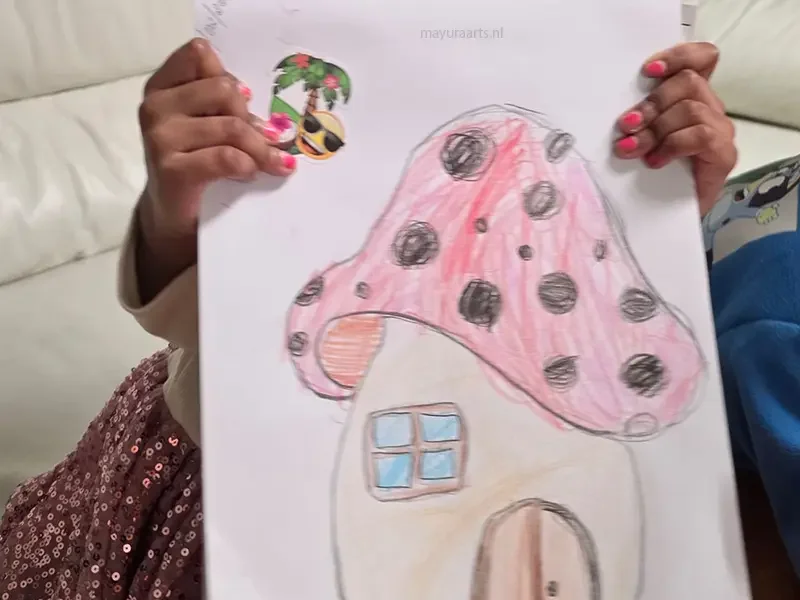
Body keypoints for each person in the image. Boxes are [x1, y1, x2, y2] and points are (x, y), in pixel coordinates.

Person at [0, 39, 740, 598]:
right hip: (217, 475)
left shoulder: (587, 57)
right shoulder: (299, 62)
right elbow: (204, 309)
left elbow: (605, 308)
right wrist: (174, 207)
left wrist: (663, 206)